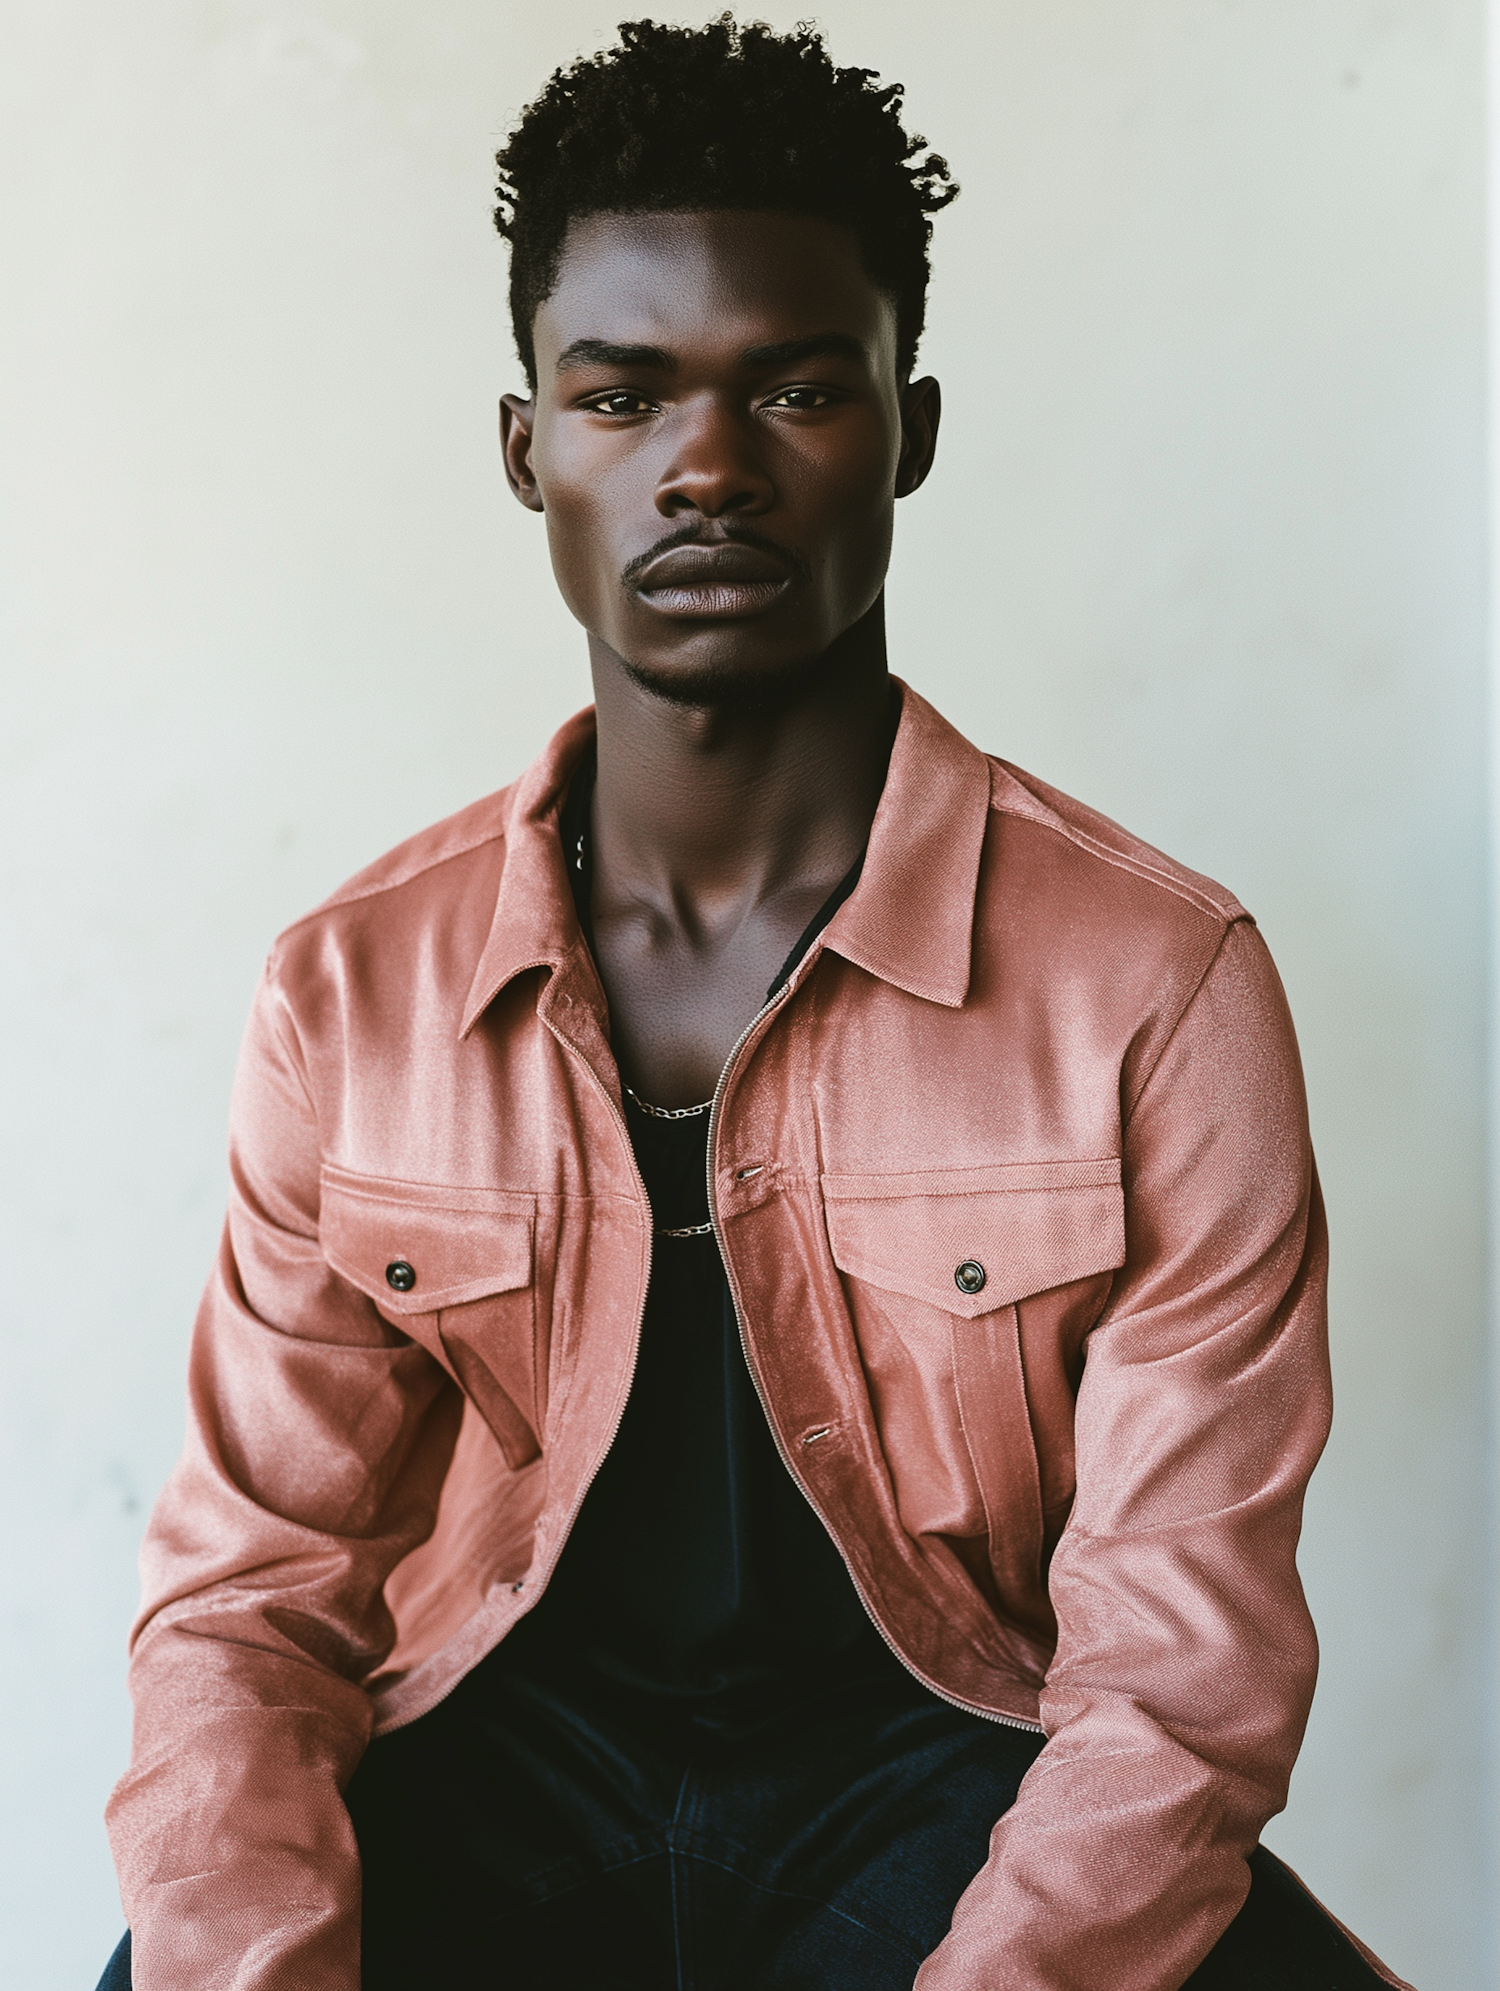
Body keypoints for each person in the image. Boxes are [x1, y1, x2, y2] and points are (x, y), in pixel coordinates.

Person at [98, 18, 1411, 1991]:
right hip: (500, 1780)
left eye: (794, 386)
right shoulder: (353, 988)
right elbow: (248, 1591)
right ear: (530, 443)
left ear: (912, 424)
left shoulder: (1155, 982)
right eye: (625, 396)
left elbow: (1180, 1658)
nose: (706, 467)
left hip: (955, 1779)